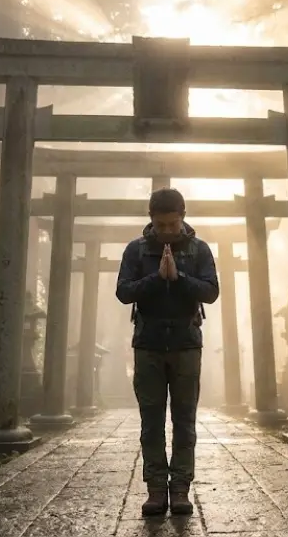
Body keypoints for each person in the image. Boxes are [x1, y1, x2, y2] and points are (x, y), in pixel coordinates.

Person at [115, 188, 219, 516]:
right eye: (161, 225)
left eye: (173, 224)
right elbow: (123, 291)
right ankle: (156, 489)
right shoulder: (136, 250)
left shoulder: (200, 249)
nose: (167, 231)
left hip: (187, 344)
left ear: (183, 217)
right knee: (151, 421)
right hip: (148, 344)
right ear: (151, 220)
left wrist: (180, 277)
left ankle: (182, 489)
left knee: (185, 420)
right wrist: (157, 279)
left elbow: (211, 291)